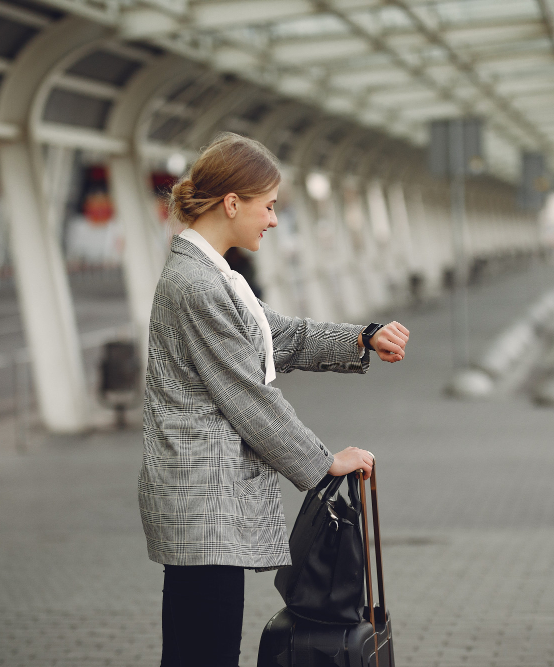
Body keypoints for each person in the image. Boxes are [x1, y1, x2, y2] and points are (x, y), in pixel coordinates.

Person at [138, 132, 410, 666]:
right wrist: (324, 462)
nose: (273, 220)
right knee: (205, 654)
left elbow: (275, 334)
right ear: (232, 203)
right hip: (203, 503)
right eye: (268, 206)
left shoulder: (213, 274)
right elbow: (246, 394)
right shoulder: (198, 284)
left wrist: (361, 337)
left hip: (205, 504)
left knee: (200, 651)